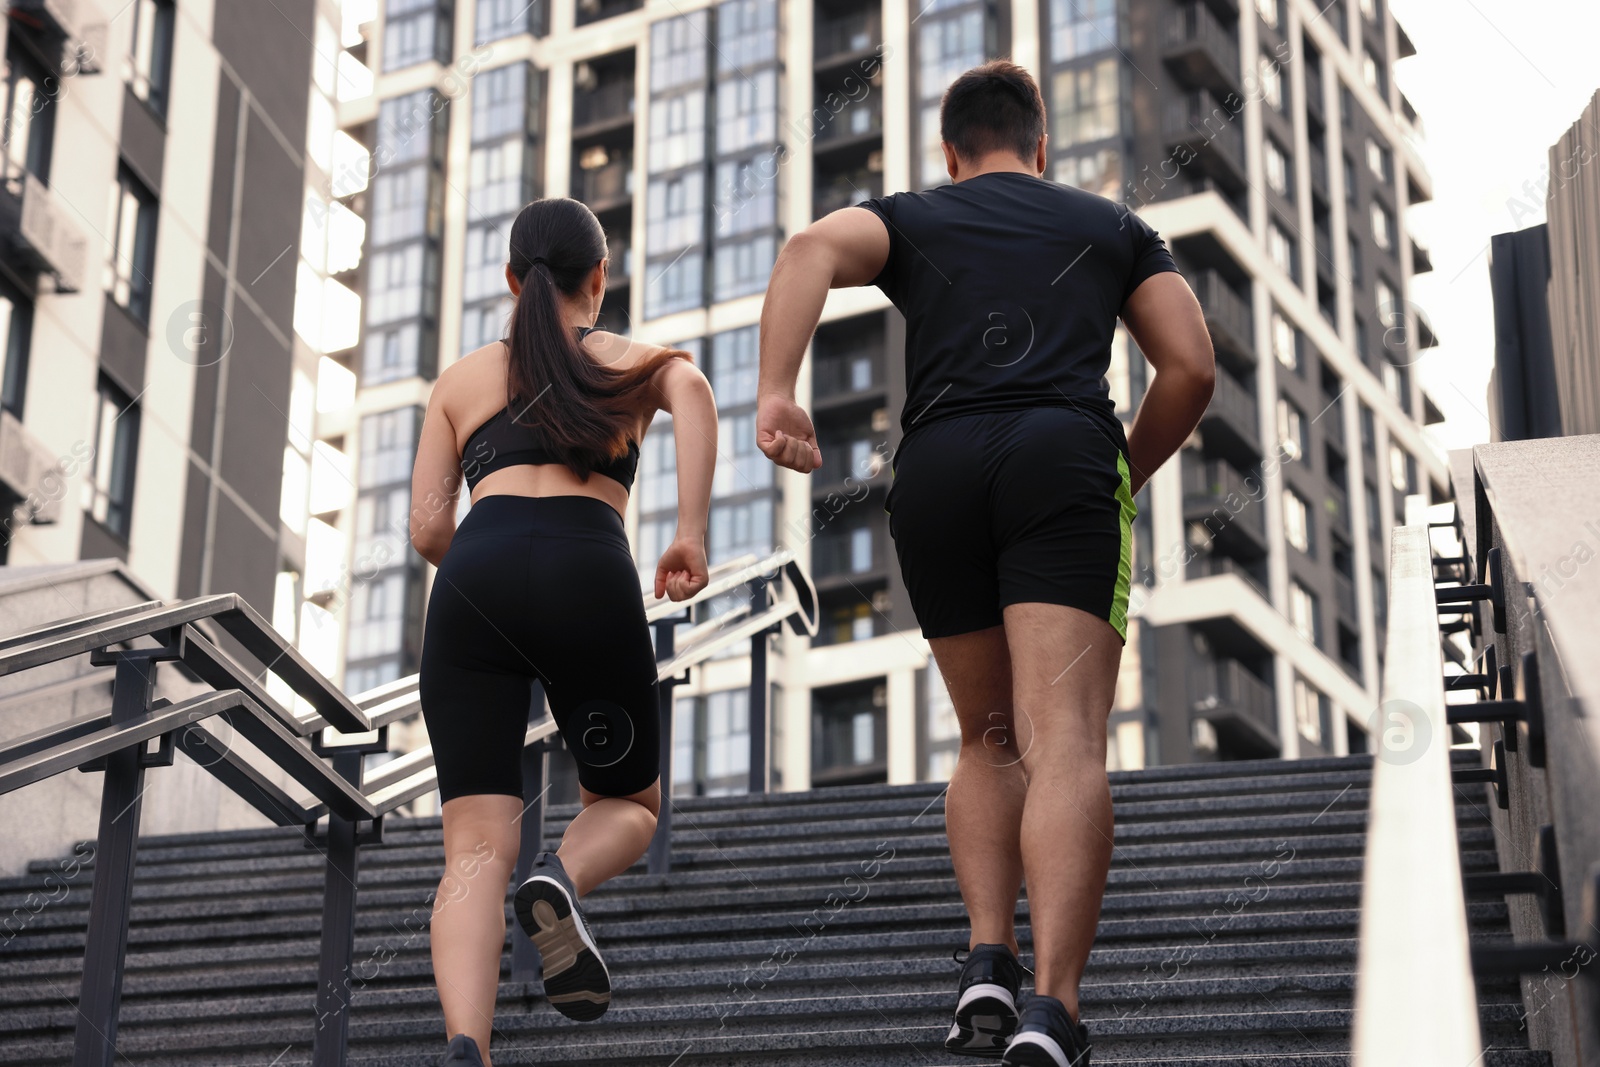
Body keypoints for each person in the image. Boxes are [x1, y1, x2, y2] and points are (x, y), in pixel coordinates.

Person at [755, 60, 1216, 1066]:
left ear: (950, 151)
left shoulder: (915, 214)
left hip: (938, 472)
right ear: (1039, 145)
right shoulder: (1110, 226)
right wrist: (1121, 471)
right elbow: (1190, 364)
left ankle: (985, 960)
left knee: (986, 735)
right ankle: (1053, 1007)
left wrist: (775, 392)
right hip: (1062, 457)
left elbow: (807, 249)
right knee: (1066, 738)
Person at [409, 197, 717, 1067]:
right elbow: (692, 391)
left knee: (472, 846)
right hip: (589, 569)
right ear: (599, 280)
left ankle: (468, 1045)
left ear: (512, 281)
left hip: (477, 579)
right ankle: (561, 877)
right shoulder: (627, 360)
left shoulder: (461, 381)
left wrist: (488, 572)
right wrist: (689, 530)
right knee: (629, 803)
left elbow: (429, 530)